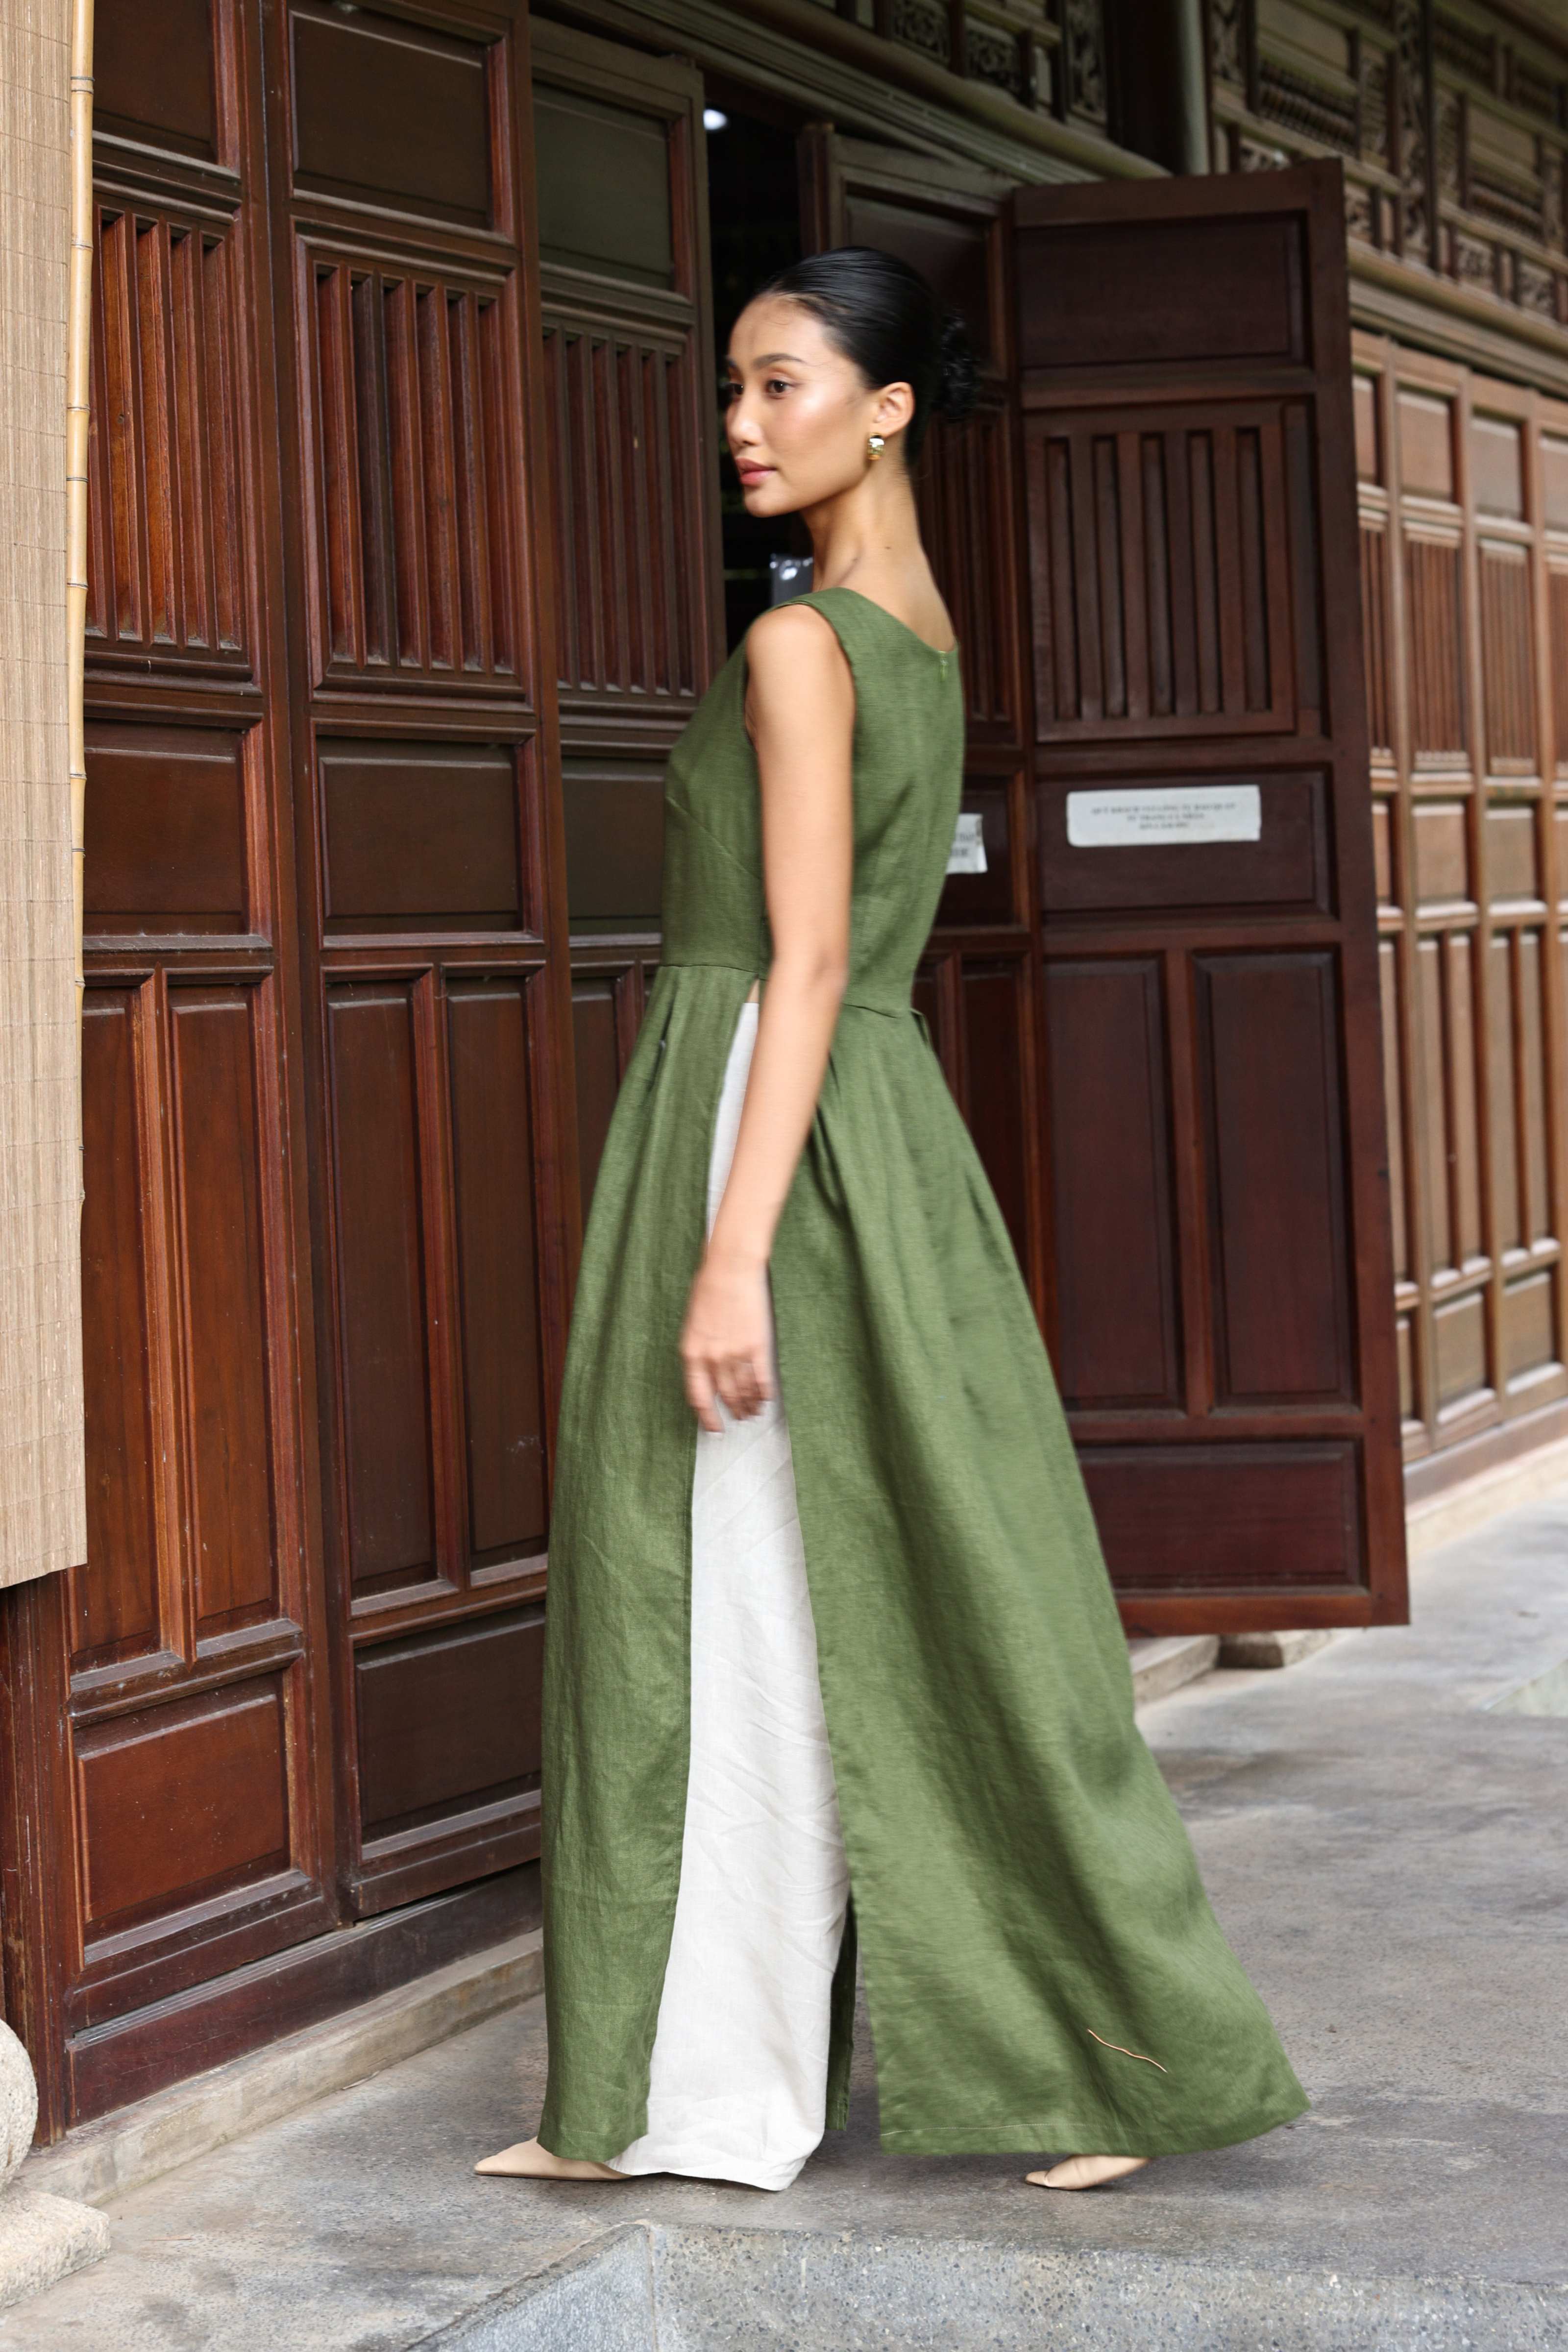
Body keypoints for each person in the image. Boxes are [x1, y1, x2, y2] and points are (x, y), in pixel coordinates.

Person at [477, 246, 1309, 2198]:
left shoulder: (797, 646)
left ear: (885, 406)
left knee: (716, 1603)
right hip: (877, 1129)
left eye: (779, 385)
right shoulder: (910, 629)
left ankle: (823, 2081)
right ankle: (790, 2082)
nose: (739, 423)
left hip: (767, 1125)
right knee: (887, 1589)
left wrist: (728, 1250)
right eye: (734, 391)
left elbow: (806, 951)